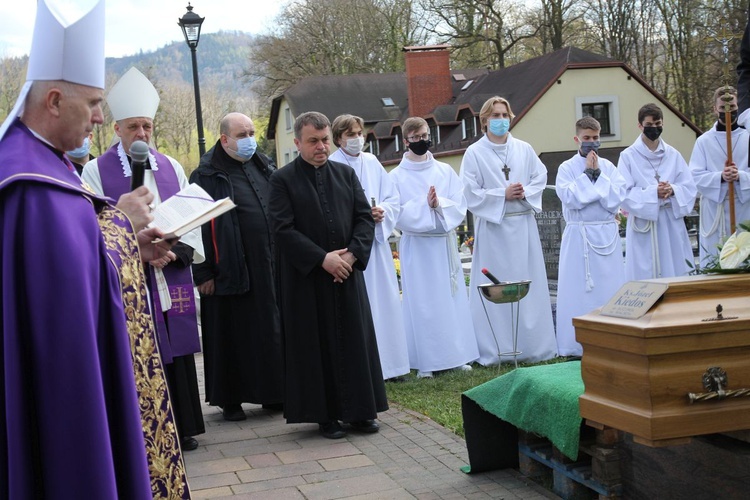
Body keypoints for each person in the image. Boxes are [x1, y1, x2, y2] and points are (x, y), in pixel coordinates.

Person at [0, 1, 188, 497]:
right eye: (95, 103)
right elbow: (61, 294)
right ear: (55, 99)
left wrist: (133, 250)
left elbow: (79, 258)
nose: (102, 118)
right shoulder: (27, 182)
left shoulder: (49, 163)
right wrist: (124, 223)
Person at [82, 67, 206, 451]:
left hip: (170, 271)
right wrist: (136, 249)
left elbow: (193, 215)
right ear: (117, 129)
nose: (142, 134)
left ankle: (183, 426)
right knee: (138, 348)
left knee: (176, 348)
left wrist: (175, 251)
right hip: (131, 275)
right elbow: (96, 224)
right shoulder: (95, 171)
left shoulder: (171, 166)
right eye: (133, 126)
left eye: (147, 126)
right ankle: (143, 428)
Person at [268, 111, 387, 440]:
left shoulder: (345, 175)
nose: (320, 147)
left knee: (354, 341)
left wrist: (350, 255)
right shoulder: (282, 180)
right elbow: (282, 229)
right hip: (309, 280)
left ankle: (362, 411)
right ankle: (326, 416)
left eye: (324, 140)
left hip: (346, 273)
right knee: (316, 345)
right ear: (297, 142)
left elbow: (364, 218)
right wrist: (322, 259)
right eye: (312, 141)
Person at [190, 112, 284, 420]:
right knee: (230, 334)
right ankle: (230, 400)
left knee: (268, 331)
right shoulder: (205, 175)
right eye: (242, 135)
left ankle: (272, 393)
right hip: (225, 266)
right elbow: (194, 226)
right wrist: (202, 271)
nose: (249, 140)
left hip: (266, 264)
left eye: (252, 133)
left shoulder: (264, 165)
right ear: (225, 139)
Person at [460, 96, 557, 365]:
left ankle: (534, 346)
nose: (501, 120)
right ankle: (496, 348)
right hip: (494, 228)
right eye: (495, 116)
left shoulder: (524, 149)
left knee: (529, 284)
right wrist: (501, 194)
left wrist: (524, 192)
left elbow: (540, 177)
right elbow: (469, 191)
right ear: (484, 121)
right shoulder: (474, 153)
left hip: (523, 226)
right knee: (497, 285)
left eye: (505, 115)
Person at [390, 116, 479, 378]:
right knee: (422, 302)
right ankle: (425, 361)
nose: (422, 141)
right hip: (417, 246)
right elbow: (397, 212)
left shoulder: (444, 171)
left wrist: (439, 205)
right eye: (416, 138)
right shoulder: (396, 176)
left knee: (451, 299)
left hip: (443, 244)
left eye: (425, 135)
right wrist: (424, 206)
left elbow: (459, 205)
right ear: (406, 141)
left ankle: (456, 354)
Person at [329, 114, 410, 381]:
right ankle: (367, 366)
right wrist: (362, 216)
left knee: (385, 304)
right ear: (338, 137)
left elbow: (392, 197)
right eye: (350, 134)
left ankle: (393, 365)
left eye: (359, 133)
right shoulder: (331, 165)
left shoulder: (373, 161)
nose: (357, 139)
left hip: (377, 245)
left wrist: (382, 211)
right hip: (353, 248)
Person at [554, 117, 627, 357]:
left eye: (596, 138)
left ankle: (613, 340)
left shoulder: (610, 167)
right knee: (578, 290)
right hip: (579, 234)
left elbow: (616, 198)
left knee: (609, 287)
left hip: (606, 233)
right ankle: (576, 345)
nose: (592, 143)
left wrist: (598, 176)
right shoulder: (566, 168)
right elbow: (570, 198)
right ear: (577, 139)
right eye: (587, 139)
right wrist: (588, 175)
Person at [618, 103, 697, 279]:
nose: (654, 128)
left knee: (676, 267)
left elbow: (690, 187)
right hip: (644, 224)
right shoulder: (628, 156)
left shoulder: (673, 154)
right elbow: (623, 193)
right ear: (640, 126)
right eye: (649, 125)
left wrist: (673, 189)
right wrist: (653, 192)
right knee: (646, 270)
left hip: (670, 221)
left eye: (658, 124)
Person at [689, 87, 750, 267]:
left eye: (732, 106)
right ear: (715, 109)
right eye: (723, 108)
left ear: (738, 106)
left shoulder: (748, 137)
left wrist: (740, 175)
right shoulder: (704, 141)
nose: (728, 111)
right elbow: (695, 176)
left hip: (744, 207)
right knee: (716, 257)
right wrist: (721, 177)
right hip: (715, 210)